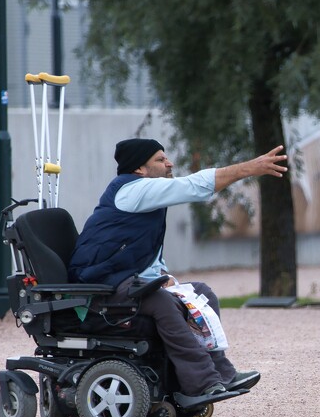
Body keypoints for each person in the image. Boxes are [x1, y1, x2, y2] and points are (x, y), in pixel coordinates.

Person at [68, 138, 288, 398]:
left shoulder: (145, 195)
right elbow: (194, 186)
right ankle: (202, 384)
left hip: (122, 281)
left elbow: (140, 253)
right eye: (160, 159)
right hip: (99, 287)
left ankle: (221, 374)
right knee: (161, 301)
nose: (169, 163)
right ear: (140, 168)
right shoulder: (133, 190)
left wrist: (165, 277)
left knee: (201, 293)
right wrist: (250, 168)